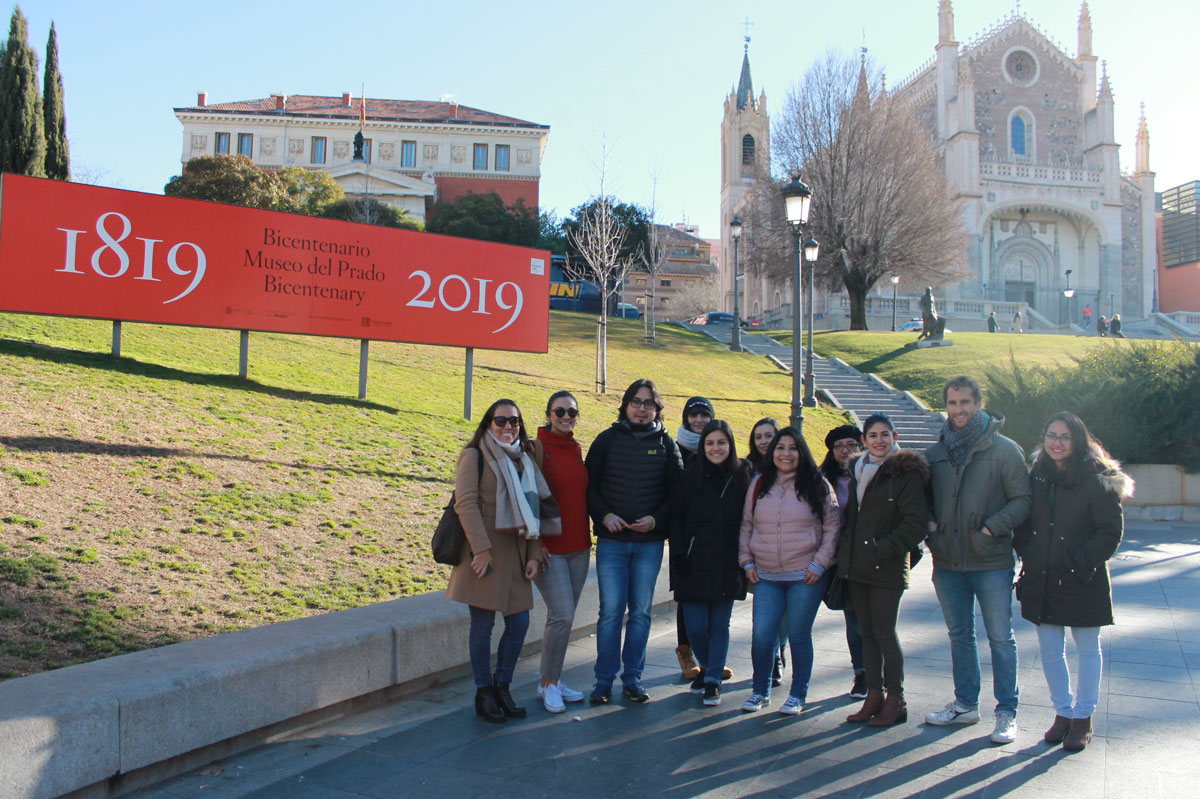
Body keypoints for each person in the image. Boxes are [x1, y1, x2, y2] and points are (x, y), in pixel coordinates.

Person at [1014, 412, 1132, 751]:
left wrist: (1079, 561)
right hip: (1043, 576)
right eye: (1052, 435)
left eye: (1065, 436)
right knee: (1050, 651)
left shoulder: (1099, 477)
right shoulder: (1039, 473)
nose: (1057, 442)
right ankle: (1063, 713)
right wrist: (1028, 550)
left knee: (1087, 649)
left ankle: (1083, 717)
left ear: (1078, 440)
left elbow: (1109, 532)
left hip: (1083, 577)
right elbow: (1024, 519)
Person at [924, 376, 1031, 744]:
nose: (959, 410)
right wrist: (930, 527)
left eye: (965, 402)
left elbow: (1023, 499)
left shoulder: (1004, 449)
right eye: (952, 403)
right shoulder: (935, 453)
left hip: (991, 561)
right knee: (960, 636)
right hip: (947, 562)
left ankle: (1007, 712)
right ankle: (966, 704)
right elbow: (922, 500)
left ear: (978, 403)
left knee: (1000, 638)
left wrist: (991, 528)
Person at [446, 399, 559, 723]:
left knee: (519, 623)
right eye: (501, 420)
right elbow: (465, 504)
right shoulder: (474, 456)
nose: (508, 426)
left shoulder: (524, 457)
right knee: (482, 626)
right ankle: (484, 693)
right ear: (488, 423)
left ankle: (502, 686)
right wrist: (481, 550)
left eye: (514, 421)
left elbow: (531, 509)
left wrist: (534, 554)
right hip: (483, 553)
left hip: (517, 553)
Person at [586, 378, 683, 705]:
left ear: (657, 409)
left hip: (649, 544)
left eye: (648, 404)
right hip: (612, 542)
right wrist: (604, 516)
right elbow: (590, 487)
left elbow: (676, 494)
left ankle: (633, 679)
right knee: (611, 611)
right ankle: (603, 681)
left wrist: (655, 520)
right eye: (636, 402)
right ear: (626, 405)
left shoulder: (667, 445)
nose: (642, 409)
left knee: (640, 612)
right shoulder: (606, 440)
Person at [739, 427, 839, 716]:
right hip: (766, 575)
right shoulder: (759, 484)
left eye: (792, 448)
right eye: (780, 448)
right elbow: (746, 525)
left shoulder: (818, 484)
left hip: (805, 575)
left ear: (802, 452)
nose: (786, 454)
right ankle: (760, 691)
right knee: (762, 636)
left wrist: (820, 562)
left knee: (798, 635)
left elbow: (833, 527)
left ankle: (798, 695)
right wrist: (746, 561)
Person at [838, 414, 930, 727]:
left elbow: (915, 522)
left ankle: (896, 699)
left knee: (885, 633)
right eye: (873, 435)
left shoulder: (905, 472)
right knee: (867, 633)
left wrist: (883, 548)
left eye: (885, 435)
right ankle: (874, 695)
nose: (879, 441)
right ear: (864, 440)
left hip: (886, 566)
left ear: (894, 437)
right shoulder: (857, 469)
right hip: (857, 565)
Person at [669, 420, 750, 707]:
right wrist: (679, 554)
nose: (716, 448)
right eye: (710, 443)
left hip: (728, 562)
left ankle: (713, 679)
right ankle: (708, 666)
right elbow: (676, 517)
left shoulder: (742, 475)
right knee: (695, 628)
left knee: (719, 625)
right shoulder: (690, 473)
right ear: (703, 446)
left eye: (721, 443)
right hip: (693, 561)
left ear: (730, 445)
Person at [533, 391, 592, 713]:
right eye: (560, 411)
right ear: (549, 414)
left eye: (572, 412)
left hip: (579, 548)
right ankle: (548, 683)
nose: (566, 417)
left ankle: (551, 679)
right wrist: (535, 544)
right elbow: (528, 499)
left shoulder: (575, 448)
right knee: (562, 616)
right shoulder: (536, 449)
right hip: (550, 550)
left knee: (563, 619)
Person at [819, 424, 868, 700]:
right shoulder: (823, 479)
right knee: (855, 619)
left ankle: (882, 672)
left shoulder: (871, 473)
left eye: (850, 444)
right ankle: (862, 673)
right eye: (838, 446)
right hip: (841, 559)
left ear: (860, 446)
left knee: (877, 621)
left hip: (870, 555)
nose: (844, 450)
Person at [741, 417, 789, 687]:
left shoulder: (793, 467)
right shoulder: (746, 469)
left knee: (787, 616)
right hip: (759, 552)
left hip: (792, 553)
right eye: (758, 437)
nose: (763, 441)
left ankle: (779, 647)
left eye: (768, 436)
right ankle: (772, 659)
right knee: (767, 612)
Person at [673, 396, 716, 682]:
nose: (699, 420)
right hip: (685, 534)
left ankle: (711, 658)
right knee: (685, 596)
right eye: (693, 415)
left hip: (713, 535)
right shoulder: (675, 448)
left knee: (713, 598)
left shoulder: (718, 446)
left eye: (704, 415)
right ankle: (686, 654)